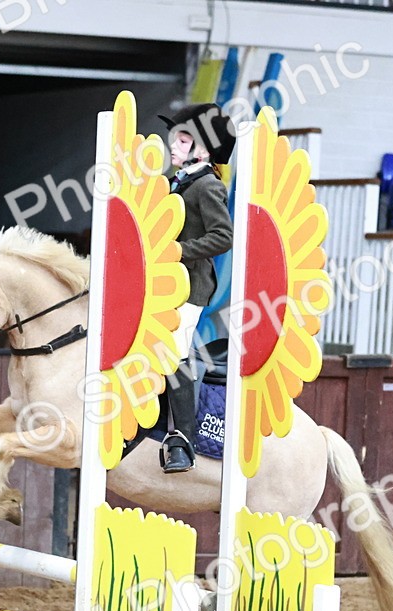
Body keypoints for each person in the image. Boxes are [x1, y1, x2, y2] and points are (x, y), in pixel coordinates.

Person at [156, 102, 235, 473]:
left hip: (191, 286)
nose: (173, 145)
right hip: (162, 283)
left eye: (183, 139)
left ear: (202, 150)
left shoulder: (207, 186)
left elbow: (223, 236)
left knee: (174, 354)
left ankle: (182, 441)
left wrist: (180, 250)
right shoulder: (174, 181)